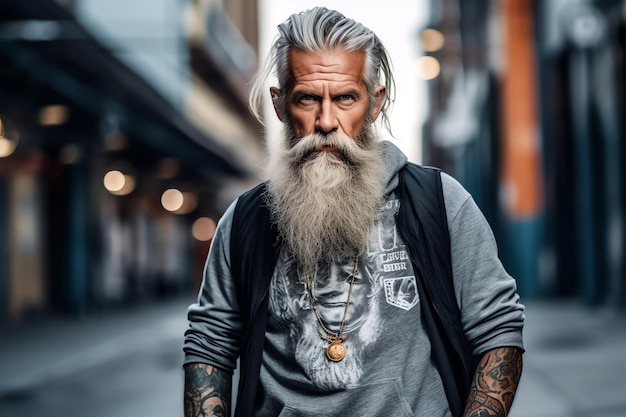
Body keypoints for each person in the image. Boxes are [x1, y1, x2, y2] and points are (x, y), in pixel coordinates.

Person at [184, 7, 524, 417]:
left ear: (375, 102)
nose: (327, 122)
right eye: (307, 98)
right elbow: (209, 347)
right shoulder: (245, 221)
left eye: (345, 98)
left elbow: (498, 329)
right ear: (279, 104)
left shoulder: (440, 203)